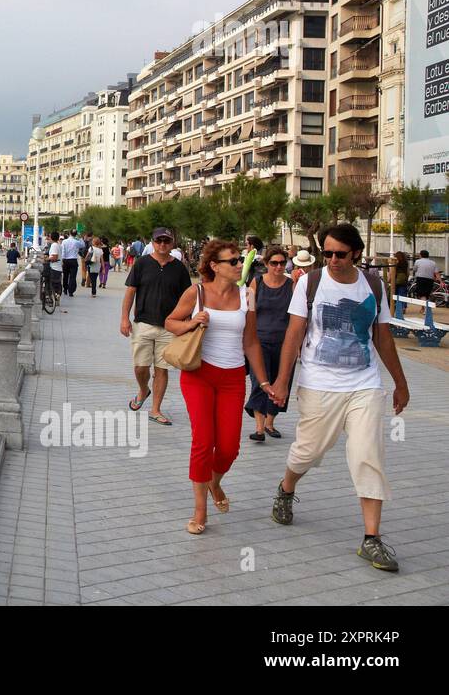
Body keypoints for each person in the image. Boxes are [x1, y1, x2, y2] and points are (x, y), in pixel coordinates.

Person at [267, 223, 410, 572]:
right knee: (309, 451)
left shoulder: (374, 285)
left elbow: (383, 337)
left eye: (340, 254)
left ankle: (371, 539)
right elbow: (295, 334)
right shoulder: (309, 283)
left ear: (356, 253)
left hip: (364, 383)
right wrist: (282, 382)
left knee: (368, 455)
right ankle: (286, 488)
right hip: (318, 382)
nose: (332, 259)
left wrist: (401, 383)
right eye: (326, 253)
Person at [166, 240, 269, 535]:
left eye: (239, 260)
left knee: (228, 447)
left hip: (233, 377)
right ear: (215, 266)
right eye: (233, 261)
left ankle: (215, 481)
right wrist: (192, 323)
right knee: (203, 440)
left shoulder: (247, 295)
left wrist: (262, 382)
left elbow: (251, 342)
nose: (239, 264)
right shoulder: (196, 293)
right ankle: (200, 509)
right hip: (199, 374)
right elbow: (170, 321)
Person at [120, 227, 190, 427]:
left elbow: (187, 297)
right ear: (153, 242)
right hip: (143, 323)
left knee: (162, 369)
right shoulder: (142, 263)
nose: (162, 245)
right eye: (159, 241)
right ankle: (143, 390)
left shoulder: (179, 268)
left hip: (169, 327)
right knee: (141, 367)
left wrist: (185, 320)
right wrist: (124, 318)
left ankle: (156, 409)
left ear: (172, 243)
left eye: (166, 241)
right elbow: (130, 292)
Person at [245, 246, 295, 442]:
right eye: (274, 263)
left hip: (284, 342)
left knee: (281, 381)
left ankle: (270, 423)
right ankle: (258, 427)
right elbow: (249, 312)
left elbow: (297, 316)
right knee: (260, 382)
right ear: (266, 264)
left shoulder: (292, 285)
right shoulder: (256, 283)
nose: (278, 266)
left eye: (282, 263)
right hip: (259, 341)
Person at [60, 231, 81, 298]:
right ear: (75, 234)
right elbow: (83, 245)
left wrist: (62, 260)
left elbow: (63, 251)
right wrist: (80, 238)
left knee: (65, 275)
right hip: (73, 260)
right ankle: (71, 291)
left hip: (66, 260)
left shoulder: (64, 241)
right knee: (72, 276)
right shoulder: (76, 242)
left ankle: (65, 289)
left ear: (69, 234)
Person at [390, 252, 410, 317]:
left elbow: (393, 271)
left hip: (396, 280)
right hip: (403, 280)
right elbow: (408, 272)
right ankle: (403, 307)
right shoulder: (406, 263)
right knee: (403, 294)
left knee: (395, 293)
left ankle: (396, 307)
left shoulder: (395, 263)